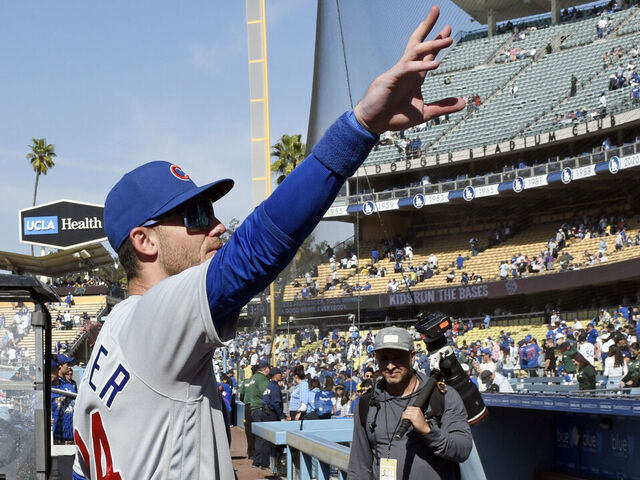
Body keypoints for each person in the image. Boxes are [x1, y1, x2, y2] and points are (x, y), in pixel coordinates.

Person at [72, 6, 465, 479]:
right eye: (196, 215)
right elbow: (255, 251)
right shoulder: (151, 320)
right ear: (144, 241)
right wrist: (360, 126)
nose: (216, 226)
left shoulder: (109, 340)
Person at [347, 326, 472, 480]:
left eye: (397, 358)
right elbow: (359, 466)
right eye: (384, 359)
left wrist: (428, 431)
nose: (390, 366)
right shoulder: (366, 403)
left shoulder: (442, 396)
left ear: (412, 357)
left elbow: (462, 449)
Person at [256, 367, 286, 471]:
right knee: (271, 440)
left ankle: (263, 463)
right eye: (279, 373)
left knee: (265, 439)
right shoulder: (275, 386)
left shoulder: (270, 385)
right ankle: (267, 464)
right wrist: (281, 416)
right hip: (270, 414)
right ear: (275, 375)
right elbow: (275, 403)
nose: (281, 375)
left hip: (265, 412)